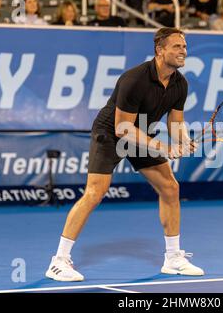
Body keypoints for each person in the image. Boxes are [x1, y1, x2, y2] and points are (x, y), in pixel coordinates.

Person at [45, 27, 204, 282]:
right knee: (95, 192)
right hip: (111, 132)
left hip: (141, 132)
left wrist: (184, 140)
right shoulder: (135, 79)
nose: (183, 51)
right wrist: (163, 147)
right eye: (177, 46)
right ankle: (59, 261)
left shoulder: (180, 83)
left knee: (170, 187)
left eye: (184, 46)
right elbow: (122, 128)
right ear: (160, 50)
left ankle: (173, 258)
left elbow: (176, 124)